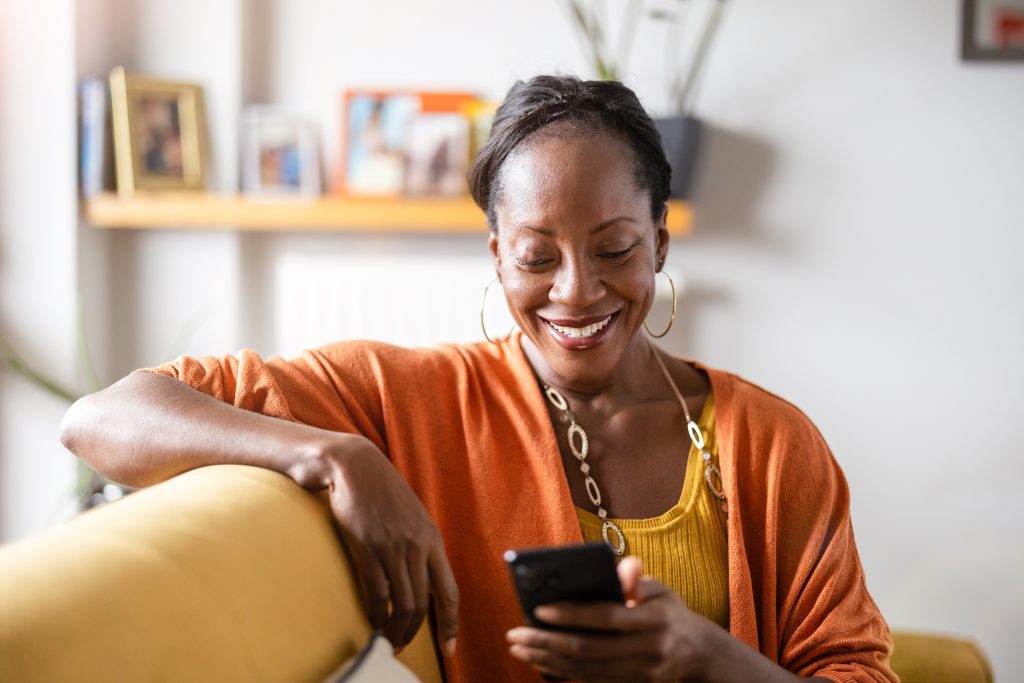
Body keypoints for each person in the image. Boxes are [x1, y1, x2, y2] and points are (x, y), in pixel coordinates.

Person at [60, 75, 897, 683]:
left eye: (614, 249)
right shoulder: (407, 400)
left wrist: (706, 656)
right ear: (497, 255)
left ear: (661, 244)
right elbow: (105, 417)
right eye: (537, 256)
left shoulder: (771, 443)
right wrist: (332, 456)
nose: (576, 291)